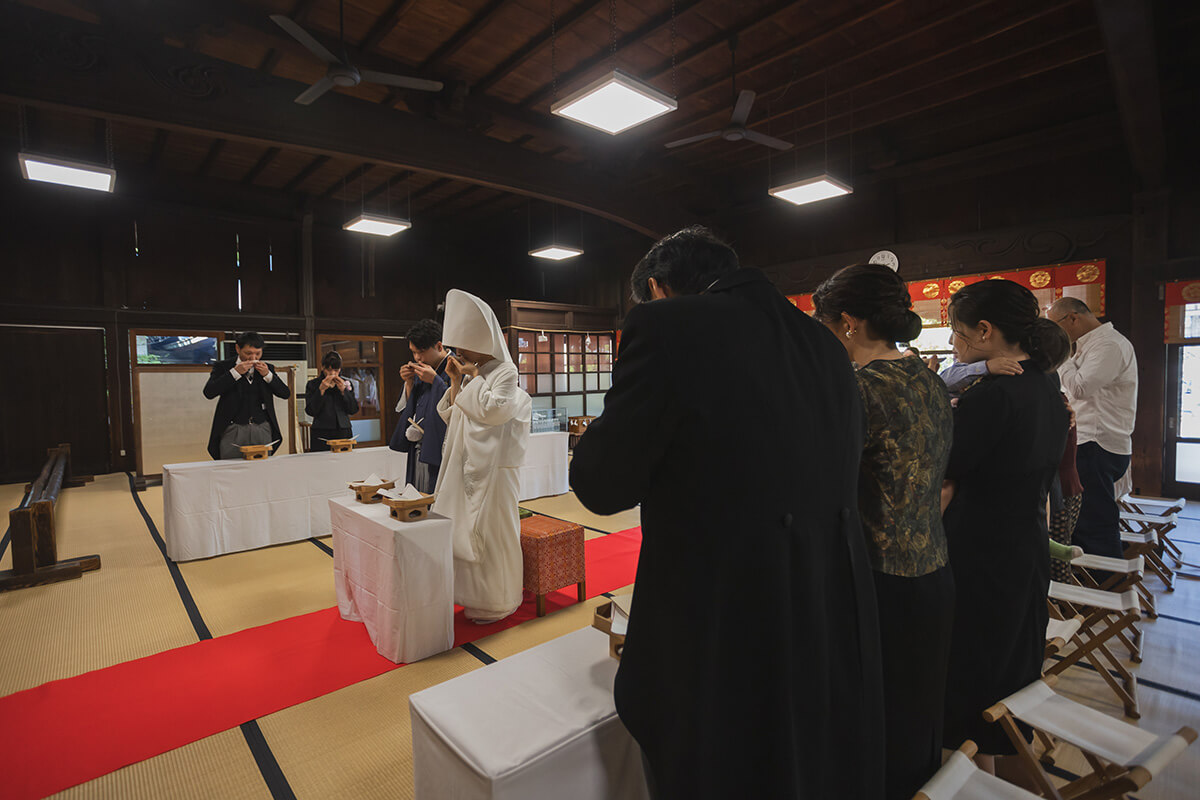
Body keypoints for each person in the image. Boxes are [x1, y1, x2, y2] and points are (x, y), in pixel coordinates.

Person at [570, 227, 884, 799]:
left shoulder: (669, 326)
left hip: (722, 607)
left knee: (711, 763)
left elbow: (603, 485)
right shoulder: (822, 342)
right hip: (822, 597)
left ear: (658, 288)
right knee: (796, 761)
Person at [812, 263, 955, 800]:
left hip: (878, 577)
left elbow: (825, 483)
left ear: (848, 322)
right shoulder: (929, 378)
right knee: (920, 711)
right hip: (934, 567)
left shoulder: (858, 389)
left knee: (876, 717)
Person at [941, 280, 1068, 777]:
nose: (954, 343)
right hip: (1026, 546)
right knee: (1012, 674)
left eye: (957, 332)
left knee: (973, 676)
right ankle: (1017, 781)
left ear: (985, 331)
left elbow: (948, 466)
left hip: (982, 552)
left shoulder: (992, 396)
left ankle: (974, 781)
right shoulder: (1045, 384)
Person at [432, 290, 532, 623]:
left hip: (496, 468)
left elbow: (494, 412)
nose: (458, 353)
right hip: (469, 463)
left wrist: (472, 379)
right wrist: (456, 381)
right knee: (463, 529)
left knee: (495, 532)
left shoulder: (506, 371)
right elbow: (459, 415)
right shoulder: (474, 371)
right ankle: (471, 596)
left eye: (462, 345)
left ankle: (500, 600)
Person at [1047, 297, 1138, 559]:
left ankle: (1107, 579)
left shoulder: (1109, 344)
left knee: (1094, 522)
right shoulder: (1092, 344)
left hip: (1097, 442)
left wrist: (1060, 357)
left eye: (1055, 326)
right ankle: (1096, 573)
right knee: (1086, 518)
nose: (1055, 334)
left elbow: (1080, 388)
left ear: (1072, 318)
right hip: (1092, 441)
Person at [203, 331, 291, 460]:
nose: (253, 358)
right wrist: (234, 373)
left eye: (258, 353)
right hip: (233, 428)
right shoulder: (223, 367)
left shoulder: (268, 368)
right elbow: (209, 392)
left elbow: (285, 393)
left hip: (262, 426)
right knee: (231, 466)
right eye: (248, 353)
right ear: (238, 349)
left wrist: (268, 375)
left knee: (262, 466)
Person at [390, 319, 452, 493]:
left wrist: (436, 381)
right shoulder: (422, 369)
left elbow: (457, 407)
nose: (417, 358)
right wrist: (409, 382)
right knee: (416, 490)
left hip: (441, 445)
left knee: (436, 493)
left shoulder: (455, 368)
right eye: (413, 352)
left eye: (421, 352)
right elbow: (411, 408)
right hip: (417, 444)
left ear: (439, 346)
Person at [305, 350, 358, 451]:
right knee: (320, 460)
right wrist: (321, 390)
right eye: (329, 370)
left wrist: (343, 391)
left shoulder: (346, 383)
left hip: (343, 430)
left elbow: (353, 409)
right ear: (322, 367)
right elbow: (310, 411)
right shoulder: (313, 384)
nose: (333, 374)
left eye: (336, 370)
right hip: (321, 431)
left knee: (346, 459)